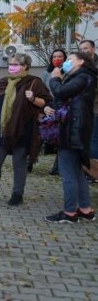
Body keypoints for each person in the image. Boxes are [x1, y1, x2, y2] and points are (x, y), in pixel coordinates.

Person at [0, 53, 51, 206]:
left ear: (25, 66)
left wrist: (32, 99)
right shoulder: (3, 82)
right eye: (11, 64)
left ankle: (17, 194)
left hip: (22, 129)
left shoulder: (33, 83)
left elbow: (46, 103)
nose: (12, 66)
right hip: (1, 130)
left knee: (19, 164)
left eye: (16, 64)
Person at [45, 51, 97, 223]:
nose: (65, 62)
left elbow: (60, 92)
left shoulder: (83, 77)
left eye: (69, 60)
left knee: (67, 172)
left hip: (72, 130)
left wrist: (55, 78)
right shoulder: (84, 77)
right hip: (76, 128)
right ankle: (85, 209)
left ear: (81, 61)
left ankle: (69, 212)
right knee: (77, 172)